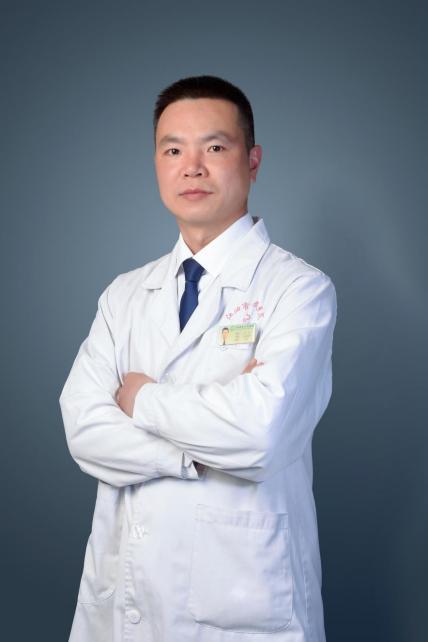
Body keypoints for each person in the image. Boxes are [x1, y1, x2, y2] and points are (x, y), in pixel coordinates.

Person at [59, 74, 337, 642]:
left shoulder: (299, 289)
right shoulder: (124, 295)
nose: (192, 167)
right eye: (173, 151)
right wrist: (200, 452)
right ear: (156, 165)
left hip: (244, 605)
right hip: (126, 601)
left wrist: (140, 399)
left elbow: (260, 432)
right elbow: (83, 428)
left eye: (214, 147)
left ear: (252, 161)